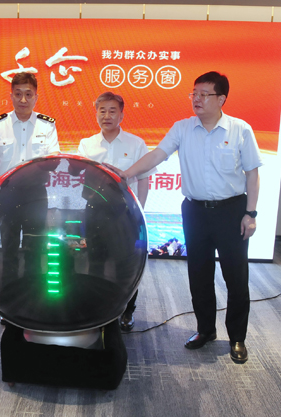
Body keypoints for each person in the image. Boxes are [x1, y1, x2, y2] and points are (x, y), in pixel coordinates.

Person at [107, 72, 261, 363]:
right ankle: (205, 330)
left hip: (231, 211)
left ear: (221, 99)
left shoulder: (240, 130)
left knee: (236, 276)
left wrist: (250, 214)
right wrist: (126, 173)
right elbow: (157, 155)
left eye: (204, 94)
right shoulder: (182, 128)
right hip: (195, 211)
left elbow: (252, 174)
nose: (197, 99)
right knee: (199, 274)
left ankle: (237, 338)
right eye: (194, 94)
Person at [0, 72, 59, 322]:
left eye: (28, 94)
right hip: (8, 194)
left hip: (36, 194)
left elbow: (53, 161)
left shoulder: (47, 125)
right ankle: (10, 305)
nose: (23, 99)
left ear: (36, 97)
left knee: (36, 249)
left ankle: (34, 300)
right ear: (11, 96)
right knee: (9, 250)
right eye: (18, 94)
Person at [77, 92, 155, 331]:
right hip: (94, 211)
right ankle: (97, 307)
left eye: (112, 111)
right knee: (94, 260)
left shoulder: (136, 144)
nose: (107, 116)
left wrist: (139, 211)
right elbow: (80, 176)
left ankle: (126, 310)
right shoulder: (86, 144)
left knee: (126, 264)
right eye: (102, 111)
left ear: (121, 115)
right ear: (96, 114)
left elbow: (144, 178)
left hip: (125, 213)